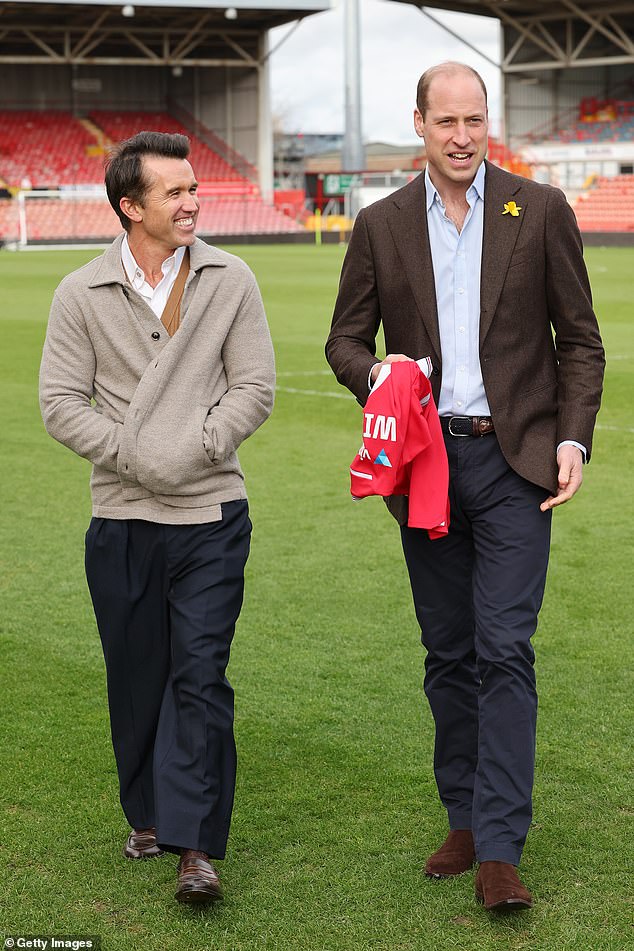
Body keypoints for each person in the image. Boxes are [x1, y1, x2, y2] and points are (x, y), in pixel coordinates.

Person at [326, 62, 604, 911]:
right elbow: (343, 341)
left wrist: (571, 437)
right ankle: (464, 816)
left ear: (489, 122)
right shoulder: (380, 224)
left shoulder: (541, 209)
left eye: (474, 119)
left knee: (503, 650)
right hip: (426, 470)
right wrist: (381, 375)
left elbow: (581, 340)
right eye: (445, 120)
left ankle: (502, 848)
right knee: (448, 651)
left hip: (517, 464)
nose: (461, 135)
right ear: (418, 122)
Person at [39, 131, 275, 905]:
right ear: (129, 206)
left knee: (199, 676)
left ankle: (195, 843)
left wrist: (198, 448)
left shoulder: (231, 278)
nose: (192, 203)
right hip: (123, 515)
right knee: (137, 679)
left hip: (213, 512)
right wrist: (144, 458)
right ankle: (146, 814)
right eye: (173, 193)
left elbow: (255, 388)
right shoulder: (80, 293)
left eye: (193, 188)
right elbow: (60, 405)